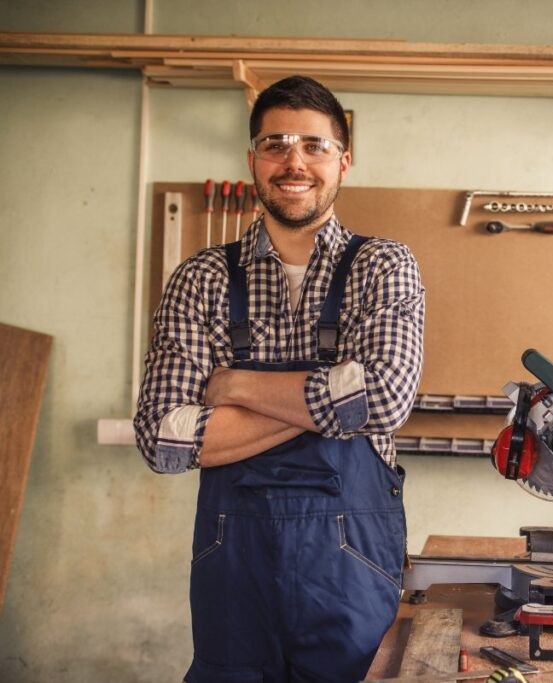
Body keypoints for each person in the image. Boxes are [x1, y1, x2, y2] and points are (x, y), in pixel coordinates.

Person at [134, 75, 425, 683]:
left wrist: (234, 386)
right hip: (234, 577)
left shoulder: (382, 266)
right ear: (252, 159)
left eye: (314, 145)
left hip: (350, 576)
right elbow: (163, 440)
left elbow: (381, 400)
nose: (294, 162)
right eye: (276, 144)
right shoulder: (202, 279)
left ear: (343, 160)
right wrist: (326, 401)